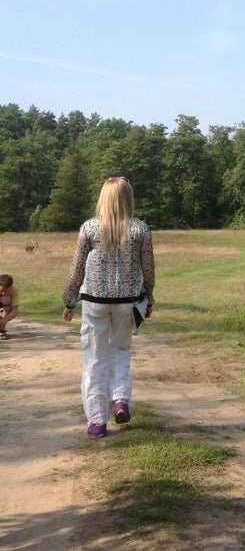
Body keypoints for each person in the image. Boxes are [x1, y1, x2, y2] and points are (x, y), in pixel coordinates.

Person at [62, 177, 155, 438]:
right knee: (120, 352)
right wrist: (149, 298)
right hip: (128, 302)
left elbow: (76, 269)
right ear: (128, 198)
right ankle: (121, 399)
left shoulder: (89, 228)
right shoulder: (140, 229)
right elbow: (148, 269)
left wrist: (70, 301)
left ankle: (97, 422)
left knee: (95, 358)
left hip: (94, 303)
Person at [0, 273, 20, 340]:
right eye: (2, 290)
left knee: (6, 299)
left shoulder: (13, 290)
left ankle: (1, 330)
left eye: (7, 290)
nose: (3, 293)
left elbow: (15, 311)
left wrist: (4, 320)